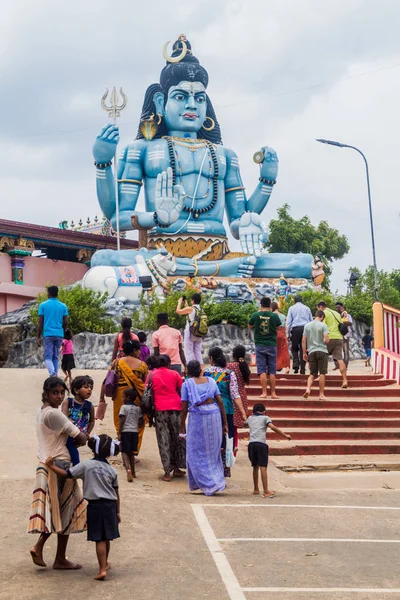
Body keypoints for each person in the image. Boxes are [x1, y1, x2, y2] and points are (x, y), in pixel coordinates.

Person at [28, 376, 87, 570]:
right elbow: (81, 436)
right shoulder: (55, 414)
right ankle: (52, 554)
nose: (59, 396)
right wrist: (80, 436)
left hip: (46, 461)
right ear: (45, 394)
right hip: (60, 465)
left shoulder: (42, 411)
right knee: (64, 510)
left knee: (56, 510)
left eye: (62, 392)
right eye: (55, 393)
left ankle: (51, 553)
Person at [45, 434, 120, 581]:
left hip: (95, 506)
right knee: (107, 538)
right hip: (110, 506)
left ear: (93, 449)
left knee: (99, 539)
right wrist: (118, 512)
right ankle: (105, 563)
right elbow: (116, 492)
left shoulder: (86, 465)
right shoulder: (112, 470)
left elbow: (68, 474)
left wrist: (51, 466)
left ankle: (102, 569)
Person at [180, 360, 228, 496]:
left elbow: (184, 409)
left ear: (188, 371)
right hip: (214, 417)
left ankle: (206, 483)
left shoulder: (187, 384)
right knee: (212, 452)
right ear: (200, 370)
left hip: (198, 418)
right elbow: (220, 402)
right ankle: (216, 481)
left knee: (194, 452)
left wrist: (181, 428)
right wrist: (225, 423)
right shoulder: (211, 382)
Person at [204, 347, 247, 477]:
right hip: (227, 411)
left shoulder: (207, 373)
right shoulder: (229, 373)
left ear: (211, 358)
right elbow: (235, 394)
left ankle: (211, 468)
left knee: (211, 438)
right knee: (227, 439)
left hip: (211, 410)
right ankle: (224, 468)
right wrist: (243, 412)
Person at [100, 340, 148, 446]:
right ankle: (133, 449)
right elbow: (146, 383)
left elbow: (106, 380)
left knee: (120, 419)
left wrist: (101, 398)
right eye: (138, 350)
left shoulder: (116, 362)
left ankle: (123, 446)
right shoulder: (143, 365)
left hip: (120, 396)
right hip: (137, 396)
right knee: (138, 422)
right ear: (135, 350)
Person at [151, 354, 186, 481]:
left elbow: (148, 392)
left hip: (160, 409)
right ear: (168, 364)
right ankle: (177, 468)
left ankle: (167, 472)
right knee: (178, 438)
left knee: (163, 439)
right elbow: (181, 389)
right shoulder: (175, 374)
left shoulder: (151, 375)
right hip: (176, 408)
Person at [247, 403, 291, 498]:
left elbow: (245, 424)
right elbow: (272, 427)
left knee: (255, 466)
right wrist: (285, 435)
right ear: (264, 411)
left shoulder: (250, 418)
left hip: (251, 444)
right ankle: (266, 491)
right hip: (261, 444)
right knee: (263, 467)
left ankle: (256, 489)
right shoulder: (265, 418)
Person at [248, 297, 282, 399]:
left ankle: (264, 393)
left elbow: (249, 326)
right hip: (271, 344)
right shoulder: (275, 316)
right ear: (270, 305)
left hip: (260, 344)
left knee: (262, 369)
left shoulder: (255, 315)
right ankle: (273, 393)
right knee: (272, 370)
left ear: (261, 305)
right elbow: (278, 328)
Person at [62, 375, 95, 466]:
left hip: (81, 435)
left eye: (91, 388)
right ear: (76, 390)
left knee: (71, 448)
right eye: (86, 387)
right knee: (71, 449)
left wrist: (88, 432)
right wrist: (68, 420)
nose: (89, 390)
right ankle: (76, 464)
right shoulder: (68, 402)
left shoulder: (89, 405)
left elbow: (92, 421)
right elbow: (63, 415)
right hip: (69, 432)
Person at [37, 285, 68, 376]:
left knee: (47, 356)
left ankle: (53, 374)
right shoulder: (63, 306)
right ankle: (55, 375)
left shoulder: (43, 305)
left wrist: (38, 336)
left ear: (49, 293)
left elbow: (40, 322)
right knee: (55, 356)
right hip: (59, 334)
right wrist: (63, 330)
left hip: (48, 334)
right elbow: (66, 322)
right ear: (57, 293)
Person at [317, 301, 348, 389]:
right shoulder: (336, 313)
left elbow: (322, 326)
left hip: (329, 337)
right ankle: (345, 380)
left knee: (322, 356)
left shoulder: (324, 313)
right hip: (339, 338)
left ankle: (321, 376)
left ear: (320, 307)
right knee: (339, 359)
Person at [227, 345, 251, 453]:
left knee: (229, 424)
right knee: (235, 426)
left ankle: (230, 447)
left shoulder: (230, 366)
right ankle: (235, 446)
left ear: (233, 354)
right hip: (242, 396)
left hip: (232, 396)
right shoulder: (244, 366)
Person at [302, 310, 330, 400]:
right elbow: (327, 340)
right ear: (321, 316)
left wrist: (304, 353)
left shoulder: (307, 325)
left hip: (311, 351)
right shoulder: (323, 325)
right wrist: (325, 340)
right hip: (322, 351)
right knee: (322, 373)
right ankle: (321, 394)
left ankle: (308, 389)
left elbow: (303, 340)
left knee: (312, 374)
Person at [119, 387, 142, 482]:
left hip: (125, 431)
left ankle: (127, 468)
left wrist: (119, 433)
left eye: (123, 397)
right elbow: (141, 422)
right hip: (134, 432)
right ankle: (133, 472)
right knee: (132, 453)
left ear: (127, 398)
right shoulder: (138, 408)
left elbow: (122, 421)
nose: (122, 399)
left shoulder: (123, 407)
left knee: (124, 451)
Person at [286, 295, 313, 374]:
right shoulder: (307, 308)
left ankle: (296, 365)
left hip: (295, 330)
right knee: (303, 349)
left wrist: (287, 334)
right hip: (305, 329)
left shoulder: (291, 308)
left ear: (294, 301)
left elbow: (288, 322)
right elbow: (311, 320)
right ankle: (303, 368)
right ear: (302, 301)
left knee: (294, 348)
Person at [176, 292, 204, 363]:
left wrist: (179, 302)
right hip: (199, 332)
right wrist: (186, 304)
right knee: (197, 352)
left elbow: (178, 311)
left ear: (193, 301)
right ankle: (200, 369)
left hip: (190, 331)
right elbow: (190, 312)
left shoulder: (191, 309)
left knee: (188, 352)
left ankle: (190, 369)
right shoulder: (200, 309)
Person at [271, 301, 290, 374]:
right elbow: (285, 326)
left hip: (274, 333)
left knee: (274, 351)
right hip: (282, 333)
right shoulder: (283, 316)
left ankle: (275, 366)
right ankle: (287, 367)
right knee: (284, 351)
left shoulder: (271, 315)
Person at [335, 302, 353, 368]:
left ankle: (345, 365)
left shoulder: (347, 315)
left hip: (345, 335)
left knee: (345, 351)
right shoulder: (335, 315)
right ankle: (337, 365)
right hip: (337, 335)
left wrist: (343, 322)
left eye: (339, 307)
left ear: (342, 308)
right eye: (336, 307)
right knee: (336, 351)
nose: (337, 309)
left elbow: (350, 323)